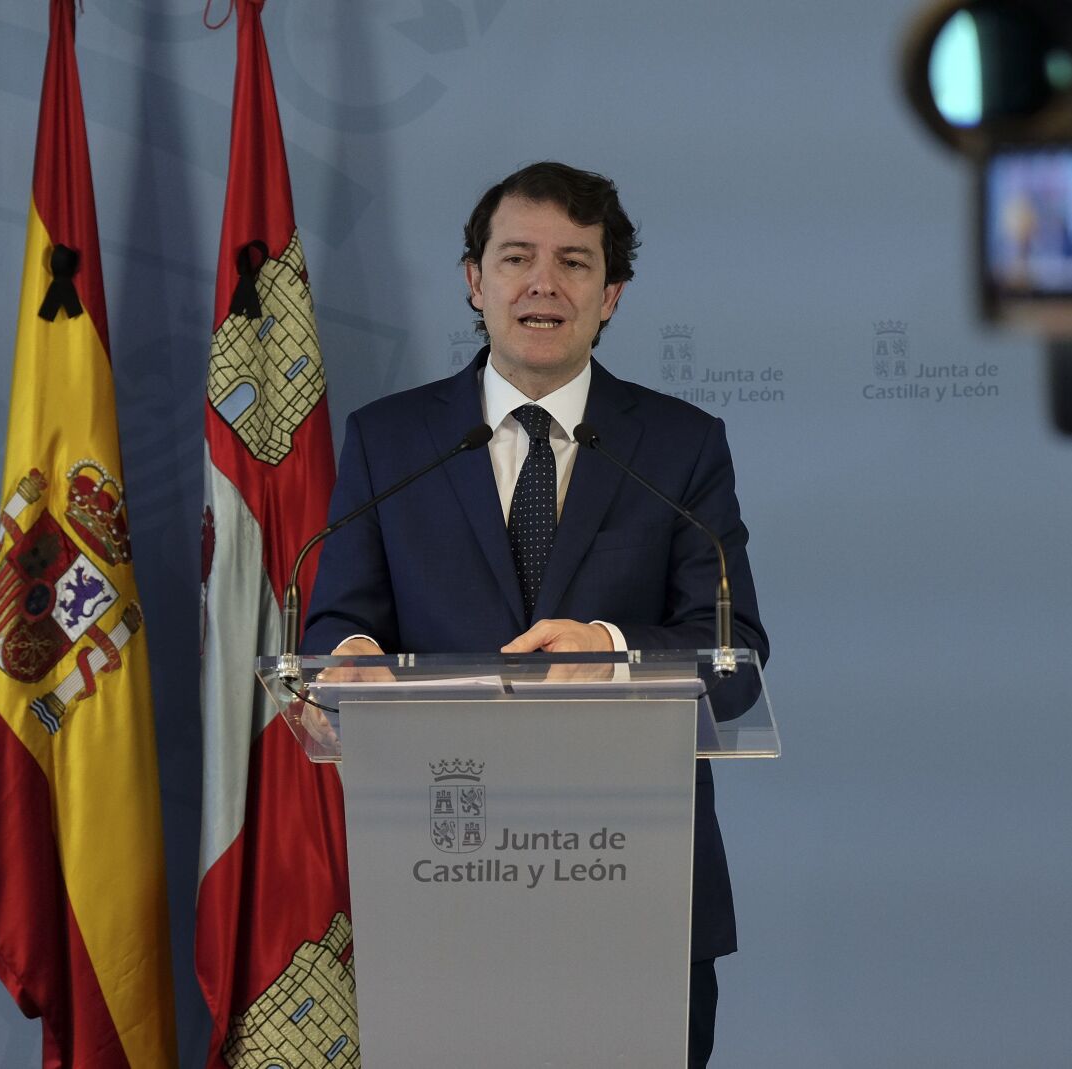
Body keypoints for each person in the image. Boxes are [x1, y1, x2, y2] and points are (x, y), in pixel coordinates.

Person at [301, 160, 768, 1067]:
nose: (542, 283)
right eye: (516, 258)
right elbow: (335, 623)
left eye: (574, 262)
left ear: (612, 294)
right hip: (439, 880)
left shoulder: (681, 445)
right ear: (474, 282)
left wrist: (614, 651)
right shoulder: (390, 439)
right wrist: (347, 658)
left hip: (638, 884)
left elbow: (735, 658)